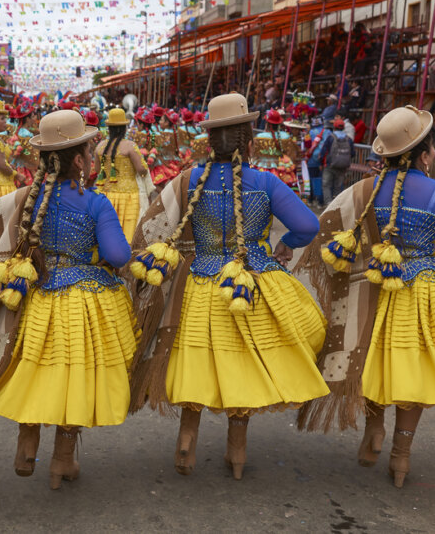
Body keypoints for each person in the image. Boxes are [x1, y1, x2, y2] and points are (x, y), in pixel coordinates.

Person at [129, 93, 327, 480]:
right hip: (251, 284)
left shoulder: (189, 180)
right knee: (245, 363)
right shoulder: (266, 182)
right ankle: (237, 450)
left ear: (209, 143)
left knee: (197, 361)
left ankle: (186, 441)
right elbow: (308, 225)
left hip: (201, 281)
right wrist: (286, 244)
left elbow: (153, 227)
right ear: (249, 143)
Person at [0, 110, 137, 491]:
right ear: (78, 160)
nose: (93, 157)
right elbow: (118, 255)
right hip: (84, 303)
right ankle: (62, 460)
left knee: (35, 370)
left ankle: (27, 444)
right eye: (89, 151)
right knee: (74, 378)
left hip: (38, 297)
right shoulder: (95, 203)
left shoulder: (30, 201)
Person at [299, 105, 435, 488]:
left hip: (376, 286)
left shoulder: (364, 191)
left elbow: (327, 227)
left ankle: (374, 428)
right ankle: (401, 453)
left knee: (376, 360)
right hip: (429, 292)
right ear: (425, 155)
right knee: (412, 371)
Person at [93, 107, 154, 241]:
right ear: (124, 128)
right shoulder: (130, 146)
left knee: (106, 233)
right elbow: (141, 169)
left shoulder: (100, 146)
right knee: (127, 234)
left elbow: (97, 170)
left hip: (105, 195)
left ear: (109, 128)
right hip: (129, 197)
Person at [320, 117, 353, 206]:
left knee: (326, 185)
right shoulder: (348, 139)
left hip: (330, 166)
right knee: (338, 186)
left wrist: (321, 163)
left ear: (334, 127)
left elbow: (323, 151)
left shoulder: (330, 137)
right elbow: (352, 153)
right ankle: (337, 205)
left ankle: (328, 203)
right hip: (343, 167)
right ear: (343, 127)